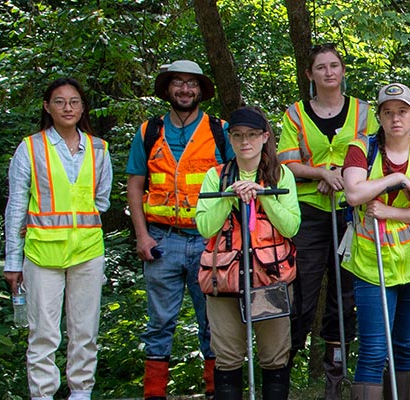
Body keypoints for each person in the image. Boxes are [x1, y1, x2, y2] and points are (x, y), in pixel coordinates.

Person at [127, 60, 232, 400]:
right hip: (161, 240)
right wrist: (142, 236)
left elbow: (237, 182)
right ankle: (154, 394)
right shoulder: (149, 131)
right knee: (159, 324)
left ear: (201, 90)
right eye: (178, 83)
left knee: (213, 324)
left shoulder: (220, 130)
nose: (185, 89)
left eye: (192, 84)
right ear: (168, 89)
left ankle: (217, 392)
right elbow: (135, 184)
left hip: (209, 240)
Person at [278, 43, 377, 398]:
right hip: (309, 211)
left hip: (351, 212)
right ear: (310, 74)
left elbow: (374, 153)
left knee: (344, 293)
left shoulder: (363, 111)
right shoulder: (296, 114)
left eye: (334, 65)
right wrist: (320, 172)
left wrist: (342, 176)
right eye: (321, 67)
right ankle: (282, 374)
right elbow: (285, 162)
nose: (329, 72)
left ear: (344, 70)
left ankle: (335, 379)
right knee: (301, 292)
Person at [5, 77, 112, 400]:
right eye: (60, 101)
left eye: (74, 101)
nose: (68, 108)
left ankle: (81, 393)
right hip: (42, 253)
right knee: (43, 334)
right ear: (47, 107)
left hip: (88, 251)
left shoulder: (98, 148)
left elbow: (102, 200)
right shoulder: (31, 147)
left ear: (82, 107)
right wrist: (12, 260)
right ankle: (43, 395)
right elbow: (16, 206)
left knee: (85, 331)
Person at [341, 83, 410, 399]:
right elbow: (354, 193)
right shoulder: (361, 149)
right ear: (379, 116)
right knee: (374, 349)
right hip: (371, 265)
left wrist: (386, 209)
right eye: (388, 112)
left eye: (402, 111)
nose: (395, 119)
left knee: (404, 346)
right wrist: (397, 179)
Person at [195, 107, 303, 400]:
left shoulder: (282, 175)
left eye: (252, 135)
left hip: (269, 279)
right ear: (230, 139)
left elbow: (291, 227)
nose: (245, 142)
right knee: (227, 357)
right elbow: (205, 227)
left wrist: (263, 195)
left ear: (264, 137)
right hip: (225, 279)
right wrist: (229, 195)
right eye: (238, 135)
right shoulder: (214, 176)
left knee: (274, 356)